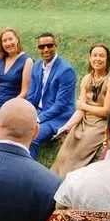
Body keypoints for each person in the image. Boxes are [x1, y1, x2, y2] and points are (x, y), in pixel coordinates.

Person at [51, 44, 110, 177]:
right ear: (90, 58)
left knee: (78, 155)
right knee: (65, 152)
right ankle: (54, 180)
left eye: (102, 56)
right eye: (94, 55)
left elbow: (107, 111)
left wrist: (83, 106)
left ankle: (69, 180)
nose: (98, 59)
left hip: (102, 123)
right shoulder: (86, 79)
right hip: (84, 121)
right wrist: (67, 126)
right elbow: (80, 110)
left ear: (107, 59)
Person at [28, 31, 77, 161]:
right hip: (39, 111)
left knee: (31, 138)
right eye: (41, 47)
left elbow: (60, 105)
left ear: (56, 45)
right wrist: (25, 112)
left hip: (58, 116)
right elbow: (32, 96)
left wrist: (37, 119)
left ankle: (29, 172)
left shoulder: (66, 71)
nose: (45, 50)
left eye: (49, 45)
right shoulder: (37, 66)